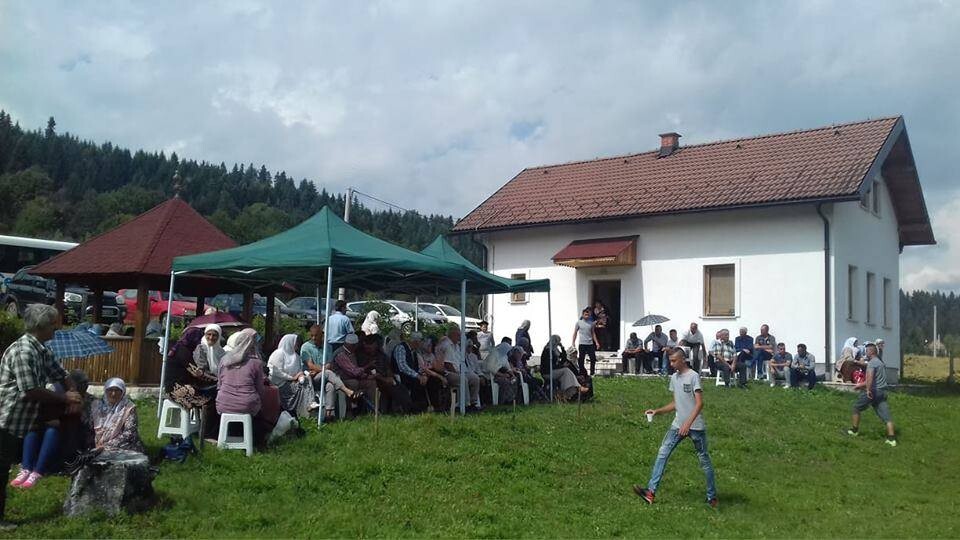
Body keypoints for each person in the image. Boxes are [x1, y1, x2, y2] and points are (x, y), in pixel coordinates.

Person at [0, 305, 80, 528]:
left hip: (20, 420)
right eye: (54, 324)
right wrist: (66, 399)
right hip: (5, 419)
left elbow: (61, 373)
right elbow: (31, 390)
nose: (57, 328)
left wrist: (72, 391)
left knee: (3, 467)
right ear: (42, 326)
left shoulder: (40, 349)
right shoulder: (24, 351)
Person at [633, 350, 717, 508]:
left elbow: (699, 404)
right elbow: (676, 403)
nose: (671, 364)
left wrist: (688, 424)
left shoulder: (693, 376)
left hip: (695, 426)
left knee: (704, 460)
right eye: (670, 361)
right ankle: (650, 492)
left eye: (673, 361)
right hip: (678, 424)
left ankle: (712, 497)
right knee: (662, 453)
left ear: (682, 360)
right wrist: (657, 411)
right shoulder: (674, 378)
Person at [217, 328, 281, 448]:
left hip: (223, 403)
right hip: (246, 405)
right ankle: (256, 440)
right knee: (258, 406)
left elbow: (219, 384)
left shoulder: (224, 360)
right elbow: (260, 389)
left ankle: (232, 435)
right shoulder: (256, 363)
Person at [301, 325, 360, 420]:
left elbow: (329, 364)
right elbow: (310, 366)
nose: (313, 338)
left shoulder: (327, 347)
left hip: (322, 375)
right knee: (328, 373)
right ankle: (347, 391)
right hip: (311, 378)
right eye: (312, 335)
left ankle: (328, 414)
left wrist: (319, 370)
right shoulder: (306, 347)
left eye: (316, 335)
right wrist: (322, 370)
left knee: (330, 386)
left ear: (322, 335)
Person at [847, 343, 897, 446]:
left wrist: (868, 390)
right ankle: (892, 439)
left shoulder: (872, 363)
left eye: (866, 351)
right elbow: (876, 379)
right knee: (887, 417)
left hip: (874, 391)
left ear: (870, 352)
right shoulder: (880, 363)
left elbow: (869, 378)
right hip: (882, 392)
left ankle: (854, 431)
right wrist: (860, 385)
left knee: (856, 408)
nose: (865, 353)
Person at [357, 334, 410, 414]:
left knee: (401, 388)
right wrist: (382, 378)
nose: (371, 349)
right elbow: (362, 371)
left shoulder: (381, 355)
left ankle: (406, 409)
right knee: (391, 388)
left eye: (373, 347)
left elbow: (388, 368)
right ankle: (392, 410)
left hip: (385, 378)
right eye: (369, 348)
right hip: (374, 380)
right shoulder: (361, 356)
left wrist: (390, 376)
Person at [91, 377, 145, 453]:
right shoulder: (97, 405)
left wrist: (107, 445)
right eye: (110, 390)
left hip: (120, 444)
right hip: (97, 443)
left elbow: (129, 433)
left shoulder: (128, 408)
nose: (113, 394)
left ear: (122, 392)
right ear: (105, 390)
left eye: (117, 390)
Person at [268, 334, 315, 418]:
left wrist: (301, 375)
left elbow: (298, 371)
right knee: (305, 385)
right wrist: (292, 378)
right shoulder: (279, 354)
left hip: (292, 383)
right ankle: (308, 407)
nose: (297, 344)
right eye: (295, 342)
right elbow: (277, 372)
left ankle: (308, 407)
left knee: (306, 379)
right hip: (280, 384)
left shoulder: (296, 357)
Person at [437, 326, 481, 412]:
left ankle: (473, 403)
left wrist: (464, 372)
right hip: (448, 373)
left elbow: (460, 361)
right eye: (458, 335)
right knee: (462, 379)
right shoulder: (447, 345)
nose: (459, 337)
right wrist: (459, 374)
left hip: (458, 371)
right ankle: (464, 405)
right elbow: (447, 364)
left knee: (474, 378)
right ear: (452, 335)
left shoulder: (456, 346)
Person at [332, 334, 378, 411]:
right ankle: (350, 410)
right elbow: (353, 371)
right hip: (342, 380)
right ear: (352, 345)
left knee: (371, 383)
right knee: (353, 383)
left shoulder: (352, 353)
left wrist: (366, 376)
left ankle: (372, 409)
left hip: (354, 378)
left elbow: (356, 371)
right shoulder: (340, 354)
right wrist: (368, 366)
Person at [540, 336, 590, 401]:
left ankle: (567, 394)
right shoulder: (548, 351)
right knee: (566, 370)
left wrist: (562, 347)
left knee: (564, 376)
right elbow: (549, 366)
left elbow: (563, 357)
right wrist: (562, 366)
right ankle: (577, 387)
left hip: (553, 371)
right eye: (558, 341)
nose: (558, 343)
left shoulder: (555, 350)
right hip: (547, 373)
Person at [393, 332, 428, 412]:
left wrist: (423, 374)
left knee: (430, 380)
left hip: (410, 375)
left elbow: (416, 367)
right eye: (420, 342)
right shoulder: (401, 348)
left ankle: (426, 406)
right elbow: (402, 367)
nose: (421, 344)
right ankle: (413, 408)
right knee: (416, 381)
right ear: (416, 342)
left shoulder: (414, 352)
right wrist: (418, 376)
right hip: (400, 375)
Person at [416, 337, 447, 411]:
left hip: (431, 373)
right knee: (435, 380)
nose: (431, 347)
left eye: (431, 345)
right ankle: (434, 404)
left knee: (443, 376)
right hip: (422, 375)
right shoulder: (419, 355)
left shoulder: (432, 355)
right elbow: (424, 369)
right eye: (429, 345)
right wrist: (439, 376)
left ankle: (443, 404)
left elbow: (437, 367)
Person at [572, 307, 600, 375]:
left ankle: (592, 373)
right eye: (585, 314)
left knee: (593, 358)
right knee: (581, 359)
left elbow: (593, 333)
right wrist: (573, 342)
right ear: (582, 314)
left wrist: (596, 342)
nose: (586, 316)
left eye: (588, 315)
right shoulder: (578, 323)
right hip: (582, 343)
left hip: (590, 343)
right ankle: (582, 372)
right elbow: (575, 332)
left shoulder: (591, 323)